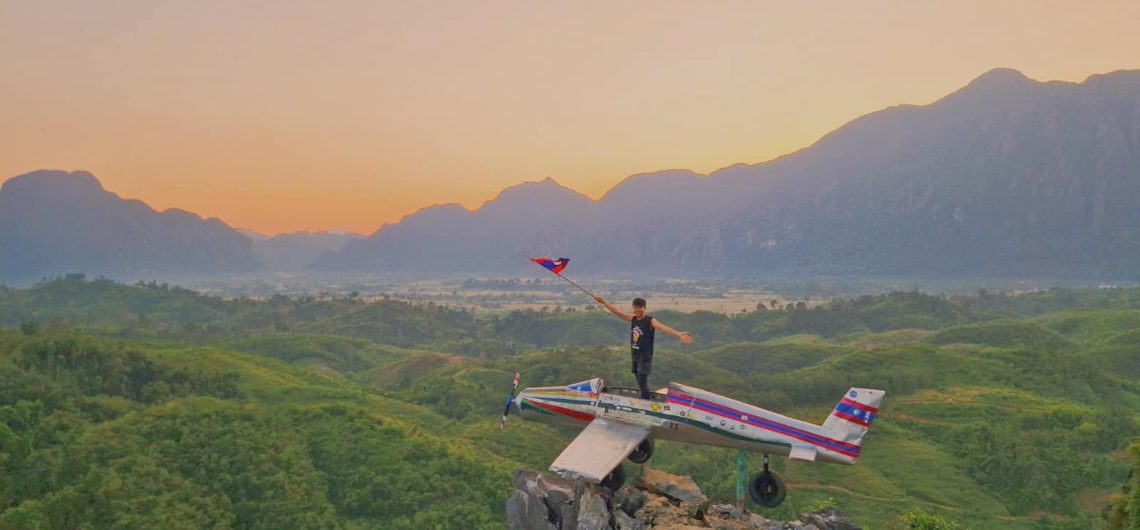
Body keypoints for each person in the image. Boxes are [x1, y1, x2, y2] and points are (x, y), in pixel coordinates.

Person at [594, 295, 692, 399]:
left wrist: (678, 334)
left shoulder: (650, 321)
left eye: (640, 307)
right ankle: (645, 397)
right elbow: (618, 312)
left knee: (642, 379)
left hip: (645, 356)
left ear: (644, 308)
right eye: (635, 307)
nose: (637, 309)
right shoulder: (633, 318)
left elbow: (663, 327)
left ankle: (645, 401)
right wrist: (603, 302)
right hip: (635, 355)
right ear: (633, 307)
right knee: (639, 379)